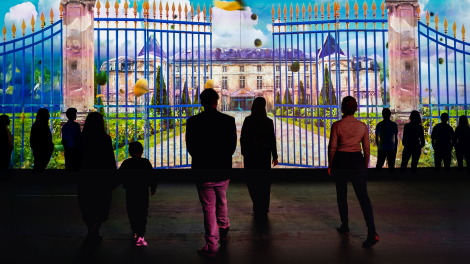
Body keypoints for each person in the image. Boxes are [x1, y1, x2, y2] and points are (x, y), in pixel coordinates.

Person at [185, 88, 237, 257]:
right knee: (222, 199)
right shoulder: (228, 121)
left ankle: (211, 244)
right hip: (222, 169)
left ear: (201, 103)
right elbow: (231, 147)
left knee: (208, 207)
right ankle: (223, 225)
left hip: (203, 170)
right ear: (217, 101)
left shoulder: (193, 122)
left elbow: (191, 148)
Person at [328, 96, 379, 249]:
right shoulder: (362, 126)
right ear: (355, 108)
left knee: (341, 194)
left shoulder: (337, 125)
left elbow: (332, 148)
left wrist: (330, 165)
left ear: (342, 108)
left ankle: (345, 225)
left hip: (341, 160)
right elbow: (367, 149)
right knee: (364, 198)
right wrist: (364, 165)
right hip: (357, 160)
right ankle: (372, 232)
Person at [78, 112, 118, 244]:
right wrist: (114, 178)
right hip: (102, 177)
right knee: (101, 204)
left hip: (86, 176)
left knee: (87, 204)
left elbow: (76, 158)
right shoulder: (105, 138)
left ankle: (91, 230)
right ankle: (94, 230)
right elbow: (110, 160)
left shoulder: (81, 138)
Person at [240, 97, 278, 218]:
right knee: (264, 183)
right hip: (264, 156)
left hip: (250, 156)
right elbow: (272, 140)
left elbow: (243, 138)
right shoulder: (268, 121)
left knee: (252, 181)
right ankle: (264, 207)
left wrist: (244, 152)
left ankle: (257, 204)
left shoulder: (248, 120)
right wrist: (275, 156)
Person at [119, 141, 156, 247]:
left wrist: (113, 185)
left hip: (131, 192)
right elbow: (152, 176)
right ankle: (141, 233)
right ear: (141, 151)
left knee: (132, 212)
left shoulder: (126, 163)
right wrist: (153, 187)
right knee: (142, 212)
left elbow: (119, 176)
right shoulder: (146, 162)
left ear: (130, 151)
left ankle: (135, 231)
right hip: (143, 191)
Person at [30, 108, 54, 173]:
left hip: (39, 150)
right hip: (43, 151)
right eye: (47, 115)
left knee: (38, 167)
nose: (49, 116)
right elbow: (46, 139)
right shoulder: (43, 126)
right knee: (39, 168)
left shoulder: (36, 125)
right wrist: (50, 146)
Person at [375, 108, 398, 172]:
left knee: (379, 164)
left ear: (382, 115)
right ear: (390, 115)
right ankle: (391, 179)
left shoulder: (379, 125)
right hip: (391, 147)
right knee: (391, 165)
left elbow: (376, 137)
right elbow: (396, 138)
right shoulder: (394, 125)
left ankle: (377, 178)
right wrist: (395, 148)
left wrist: (378, 146)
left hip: (382, 147)